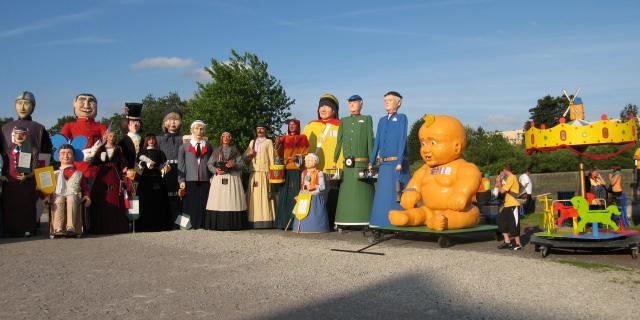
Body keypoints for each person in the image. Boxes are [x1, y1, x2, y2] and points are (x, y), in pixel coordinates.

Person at [388, 115, 481, 231]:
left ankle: (442, 222)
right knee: (420, 213)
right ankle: (406, 218)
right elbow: (415, 183)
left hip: (457, 211)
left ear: (456, 147)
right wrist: (410, 192)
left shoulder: (462, 167)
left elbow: (471, 178)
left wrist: (462, 193)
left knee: (467, 215)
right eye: (423, 144)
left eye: (433, 143)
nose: (425, 149)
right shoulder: (424, 169)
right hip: (428, 210)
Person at [368, 91, 410, 227]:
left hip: (396, 164)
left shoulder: (402, 118)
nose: (387, 102)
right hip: (384, 165)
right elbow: (377, 142)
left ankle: (399, 222)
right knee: (383, 196)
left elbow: (402, 139)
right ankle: (380, 222)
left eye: (390, 100)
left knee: (397, 193)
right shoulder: (381, 120)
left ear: (399, 103)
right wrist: (371, 160)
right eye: (385, 100)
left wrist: (399, 161)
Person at [333, 94, 374, 229]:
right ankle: (344, 220)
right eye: (350, 103)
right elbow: (339, 141)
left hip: (362, 163)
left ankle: (365, 219)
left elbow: (369, 140)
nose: (351, 105)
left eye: (355, 102)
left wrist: (371, 160)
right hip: (348, 164)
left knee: (362, 191)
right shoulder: (343, 121)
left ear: (361, 104)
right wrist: (335, 159)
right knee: (347, 192)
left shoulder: (366, 119)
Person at [302, 94, 343, 226]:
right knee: (312, 195)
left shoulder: (341, 126)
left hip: (332, 169)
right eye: (321, 106)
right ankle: (313, 222)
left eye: (327, 106)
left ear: (334, 110)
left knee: (331, 196)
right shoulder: (310, 126)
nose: (323, 109)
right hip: (313, 170)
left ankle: (330, 223)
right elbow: (303, 147)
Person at [90, 130, 130, 234]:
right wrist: (99, 158)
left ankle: (116, 225)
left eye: (114, 136)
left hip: (115, 173)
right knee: (102, 196)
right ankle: (101, 226)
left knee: (116, 195)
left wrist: (124, 167)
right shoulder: (101, 148)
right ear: (106, 137)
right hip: (103, 173)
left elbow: (122, 160)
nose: (112, 138)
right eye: (110, 136)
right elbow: (94, 161)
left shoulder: (118, 148)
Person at [205, 132, 248, 230]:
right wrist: (216, 170)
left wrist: (234, 164)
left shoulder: (235, 151)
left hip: (232, 177)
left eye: (228, 137)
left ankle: (233, 224)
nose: (226, 138)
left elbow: (241, 163)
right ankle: (217, 223)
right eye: (224, 136)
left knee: (231, 199)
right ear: (221, 138)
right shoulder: (216, 151)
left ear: (230, 139)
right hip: (219, 178)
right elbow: (209, 164)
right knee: (219, 200)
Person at [61, 93, 108, 180]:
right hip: (76, 170)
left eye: (91, 101)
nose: (86, 105)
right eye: (82, 101)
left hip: (97, 171)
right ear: (74, 104)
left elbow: (108, 145)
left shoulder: (102, 127)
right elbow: (61, 148)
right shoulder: (69, 126)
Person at [2, 126, 39, 236]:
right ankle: (12, 230)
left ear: (26, 135)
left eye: (22, 133)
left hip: (26, 183)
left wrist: (27, 177)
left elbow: (35, 169)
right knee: (12, 206)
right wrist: (3, 176)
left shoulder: (32, 149)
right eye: (17, 133)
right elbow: (4, 166)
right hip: (11, 183)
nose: (19, 136)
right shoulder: (9, 150)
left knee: (27, 206)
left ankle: (28, 229)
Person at [49, 144, 91, 237]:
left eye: (69, 153)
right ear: (59, 157)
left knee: (71, 199)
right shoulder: (54, 173)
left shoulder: (79, 173)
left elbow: (85, 188)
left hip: (74, 195)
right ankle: (58, 228)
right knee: (59, 199)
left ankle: (71, 228)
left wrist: (87, 197)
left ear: (74, 156)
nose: (66, 156)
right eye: (63, 153)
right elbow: (47, 189)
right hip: (58, 194)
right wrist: (45, 197)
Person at [274, 119, 308, 229]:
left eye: (294, 125)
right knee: (284, 196)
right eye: (290, 125)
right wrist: (278, 143)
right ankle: (282, 223)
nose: (292, 126)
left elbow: (306, 153)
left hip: (297, 170)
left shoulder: (303, 138)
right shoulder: (284, 138)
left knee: (295, 195)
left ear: (298, 126)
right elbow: (278, 154)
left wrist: (297, 157)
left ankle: (295, 223)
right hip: (286, 169)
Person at [178, 120, 212, 230]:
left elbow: (211, 163)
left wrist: (211, 176)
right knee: (188, 203)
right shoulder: (184, 147)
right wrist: (181, 180)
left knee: (204, 202)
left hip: (204, 179)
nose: (199, 131)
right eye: (196, 128)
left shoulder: (208, 146)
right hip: (189, 179)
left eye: (201, 129)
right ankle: (184, 225)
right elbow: (181, 165)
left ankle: (203, 224)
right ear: (192, 130)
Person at [137, 134, 171, 231]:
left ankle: (160, 223)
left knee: (159, 199)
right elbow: (139, 164)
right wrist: (144, 164)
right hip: (145, 179)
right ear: (146, 141)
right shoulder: (142, 152)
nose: (151, 141)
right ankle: (145, 224)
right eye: (149, 139)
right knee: (145, 200)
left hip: (157, 177)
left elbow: (165, 164)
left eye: (153, 139)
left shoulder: (160, 152)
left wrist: (166, 168)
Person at [157, 106, 184, 228]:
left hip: (180, 169)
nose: (173, 122)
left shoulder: (184, 139)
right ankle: (165, 222)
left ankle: (180, 223)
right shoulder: (159, 139)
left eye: (176, 120)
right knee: (165, 195)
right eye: (170, 119)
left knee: (180, 195)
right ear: (165, 122)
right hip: (165, 169)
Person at [245, 124, 276, 229]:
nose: (260, 130)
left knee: (265, 196)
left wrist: (271, 173)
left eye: (262, 129)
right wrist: (249, 155)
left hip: (264, 172)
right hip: (254, 172)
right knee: (254, 197)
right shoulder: (252, 142)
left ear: (265, 130)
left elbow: (271, 157)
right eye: (258, 129)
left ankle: (267, 220)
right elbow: (246, 157)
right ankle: (252, 220)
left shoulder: (268, 142)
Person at [292, 153, 330, 233]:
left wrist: (314, 187)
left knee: (312, 214)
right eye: (306, 160)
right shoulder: (304, 173)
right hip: (304, 197)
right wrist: (299, 195)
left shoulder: (319, 173)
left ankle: (315, 228)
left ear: (315, 162)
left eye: (309, 160)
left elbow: (322, 187)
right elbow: (302, 186)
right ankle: (301, 228)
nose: (307, 162)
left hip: (314, 197)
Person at [497, 164, 523, 251]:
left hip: (513, 204)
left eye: (503, 171)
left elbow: (502, 191)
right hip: (507, 204)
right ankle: (507, 242)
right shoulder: (509, 178)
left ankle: (518, 244)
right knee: (501, 222)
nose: (502, 172)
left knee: (514, 224)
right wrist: (500, 183)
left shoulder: (512, 177)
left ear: (505, 170)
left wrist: (499, 182)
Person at [118, 103, 143, 180]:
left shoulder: (144, 141)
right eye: (131, 122)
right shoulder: (122, 142)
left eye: (137, 122)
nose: (135, 125)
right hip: (128, 174)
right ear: (126, 124)